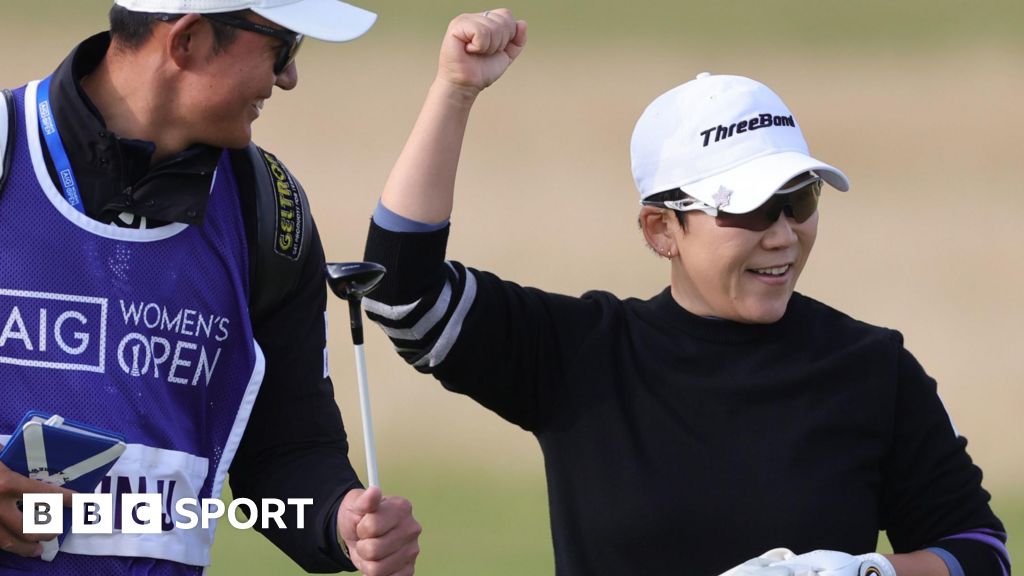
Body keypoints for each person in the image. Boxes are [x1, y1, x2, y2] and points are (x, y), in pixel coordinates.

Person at [360, 8, 1010, 576]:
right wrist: (455, 92)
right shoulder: (583, 353)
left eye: (799, 199)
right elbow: (401, 292)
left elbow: (979, 551)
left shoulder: (872, 368)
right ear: (661, 229)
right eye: (751, 210)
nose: (783, 235)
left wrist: (865, 572)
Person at [0, 1, 420, 574]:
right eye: (283, 47)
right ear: (188, 41)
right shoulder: (8, 150)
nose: (289, 77)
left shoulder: (268, 209)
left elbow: (284, 448)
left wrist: (338, 519)